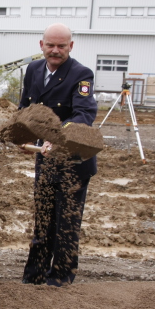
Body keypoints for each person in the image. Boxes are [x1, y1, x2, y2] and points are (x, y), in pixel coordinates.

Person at [19, 23, 97, 287]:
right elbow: (26, 108)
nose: (55, 50)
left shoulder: (82, 75)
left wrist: (57, 137)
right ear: (41, 45)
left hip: (73, 161)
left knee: (66, 223)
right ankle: (34, 276)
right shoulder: (33, 70)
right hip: (45, 158)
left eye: (61, 46)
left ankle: (61, 278)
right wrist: (23, 133)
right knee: (43, 218)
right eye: (50, 45)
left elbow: (84, 115)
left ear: (70, 47)